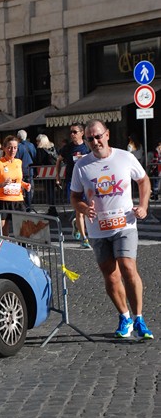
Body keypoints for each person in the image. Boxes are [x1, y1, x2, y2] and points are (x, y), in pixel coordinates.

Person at [70, 119, 153, 340]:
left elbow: (144, 181)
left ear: (107, 135)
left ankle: (139, 318)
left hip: (125, 224)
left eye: (98, 136)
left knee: (127, 266)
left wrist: (143, 206)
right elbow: (75, 197)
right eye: (90, 138)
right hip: (97, 229)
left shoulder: (125, 157)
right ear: (86, 141)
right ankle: (124, 316)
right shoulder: (81, 166)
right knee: (111, 275)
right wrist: (83, 208)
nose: (95, 141)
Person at [0, 135, 31, 236]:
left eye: (15, 148)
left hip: (17, 201)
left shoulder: (19, 162)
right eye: (9, 147)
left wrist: (24, 185)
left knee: (22, 234)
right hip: (2, 201)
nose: (12, 150)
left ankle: (21, 252)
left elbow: (17, 180)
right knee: (4, 236)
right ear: (4, 148)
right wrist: (2, 184)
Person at [35, 133, 58, 216]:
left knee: (48, 191)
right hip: (54, 172)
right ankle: (53, 207)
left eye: (37, 141)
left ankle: (52, 209)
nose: (36, 142)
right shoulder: (52, 148)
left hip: (46, 174)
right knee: (52, 191)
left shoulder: (40, 150)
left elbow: (38, 162)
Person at [16, 130, 36, 211]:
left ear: (18, 137)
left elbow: (16, 159)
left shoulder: (19, 147)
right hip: (30, 169)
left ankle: (23, 206)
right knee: (29, 189)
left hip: (21, 170)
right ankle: (29, 206)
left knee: (20, 188)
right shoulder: (31, 145)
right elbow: (34, 156)